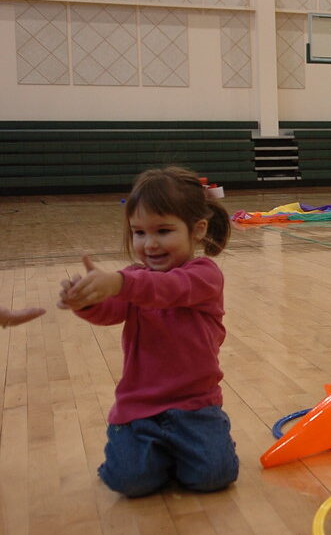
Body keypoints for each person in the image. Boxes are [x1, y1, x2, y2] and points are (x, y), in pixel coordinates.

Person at [57, 167, 238, 497]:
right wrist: (85, 301)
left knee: (214, 477)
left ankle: (174, 454)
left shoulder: (204, 275)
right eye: (139, 232)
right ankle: (144, 453)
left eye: (163, 231)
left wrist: (119, 283)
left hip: (196, 406)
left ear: (197, 230)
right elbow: (111, 311)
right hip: (138, 410)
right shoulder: (134, 281)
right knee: (129, 482)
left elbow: (169, 289)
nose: (149, 244)